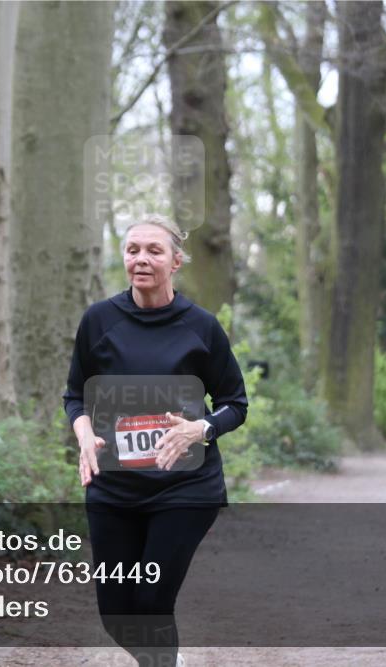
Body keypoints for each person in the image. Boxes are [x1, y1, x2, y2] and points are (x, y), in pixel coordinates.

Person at [63, 215, 248, 667]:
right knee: (115, 614)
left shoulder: (201, 328)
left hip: (185, 487)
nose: (141, 259)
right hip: (114, 487)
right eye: (132, 250)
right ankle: (165, 660)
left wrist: (199, 428)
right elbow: (75, 396)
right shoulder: (99, 321)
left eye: (154, 250)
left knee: (150, 603)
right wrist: (85, 435)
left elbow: (235, 403)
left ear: (176, 261)